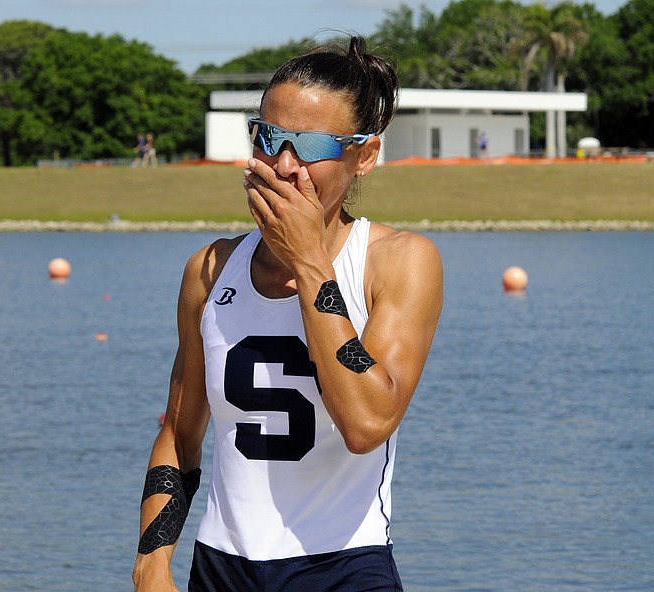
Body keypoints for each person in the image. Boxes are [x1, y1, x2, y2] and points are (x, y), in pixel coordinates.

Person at [132, 36, 443, 592]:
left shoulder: (398, 263)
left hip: (343, 568)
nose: (284, 165)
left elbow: (368, 423)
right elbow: (180, 432)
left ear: (364, 156)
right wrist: (151, 564)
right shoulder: (209, 270)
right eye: (269, 137)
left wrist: (308, 260)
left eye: (309, 146)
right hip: (221, 568)